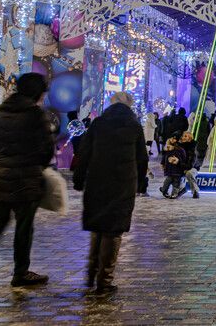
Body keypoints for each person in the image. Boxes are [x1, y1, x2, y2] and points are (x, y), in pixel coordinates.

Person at [0, 73, 55, 290]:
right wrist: (38, 167)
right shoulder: (35, 115)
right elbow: (46, 150)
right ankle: (20, 272)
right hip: (27, 179)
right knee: (24, 227)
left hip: (1, 176)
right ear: (37, 92)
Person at [73, 91, 147, 294]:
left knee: (98, 227)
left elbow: (84, 153)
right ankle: (104, 280)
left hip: (97, 180)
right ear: (129, 106)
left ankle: (90, 274)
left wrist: (79, 179)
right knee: (113, 230)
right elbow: (142, 158)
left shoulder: (98, 124)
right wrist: (140, 184)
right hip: (123, 184)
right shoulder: (133, 126)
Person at [178, 131, 200, 198]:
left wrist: (186, 168)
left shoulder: (193, 148)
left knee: (189, 173)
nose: (183, 137)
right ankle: (181, 189)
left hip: (192, 167)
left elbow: (192, 162)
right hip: (182, 167)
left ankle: (195, 191)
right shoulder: (179, 147)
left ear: (190, 138)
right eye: (183, 136)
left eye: (185, 136)